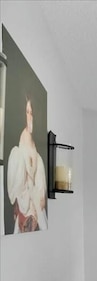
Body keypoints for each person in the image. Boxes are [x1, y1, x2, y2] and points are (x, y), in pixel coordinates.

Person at [6, 96, 48, 232]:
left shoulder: (39, 158)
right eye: (27, 112)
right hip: (24, 211)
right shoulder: (17, 153)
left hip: (34, 212)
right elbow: (17, 192)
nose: (30, 117)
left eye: (32, 113)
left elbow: (40, 196)